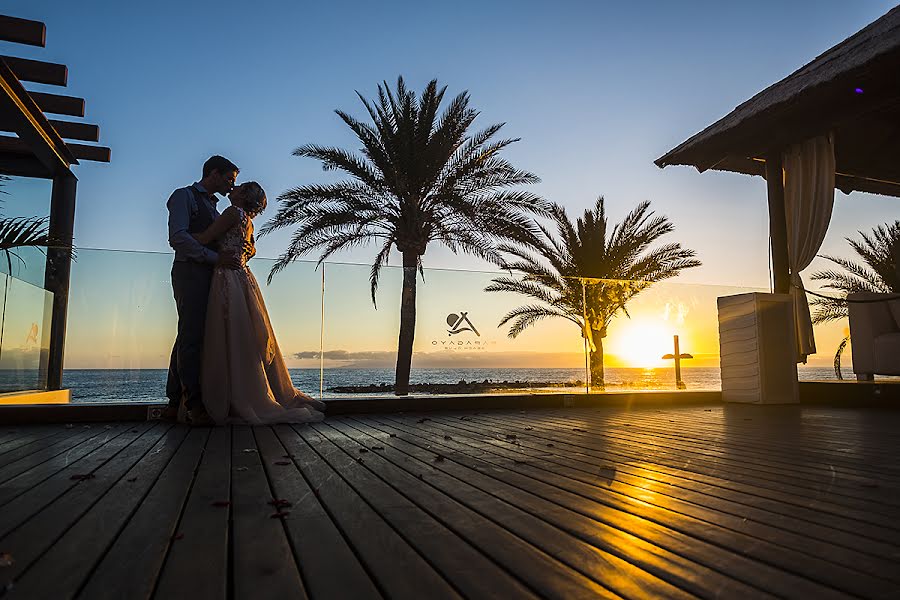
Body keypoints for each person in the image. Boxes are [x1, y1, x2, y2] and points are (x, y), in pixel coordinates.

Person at [192, 181, 325, 424]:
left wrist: (183, 236)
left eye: (239, 186)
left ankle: (234, 394)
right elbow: (250, 249)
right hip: (244, 276)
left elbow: (205, 238)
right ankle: (252, 389)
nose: (233, 187)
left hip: (227, 275)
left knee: (230, 333)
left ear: (243, 195)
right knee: (246, 335)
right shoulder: (248, 221)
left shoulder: (232, 212)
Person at [164, 156, 241, 425]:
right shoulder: (183, 196)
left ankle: (177, 401)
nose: (233, 185)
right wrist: (213, 258)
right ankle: (192, 405)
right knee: (191, 336)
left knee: (191, 334)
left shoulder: (216, 208)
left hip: (212, 277)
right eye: (229, 179)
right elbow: (178, 238)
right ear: (214, 174)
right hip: (190, 273)